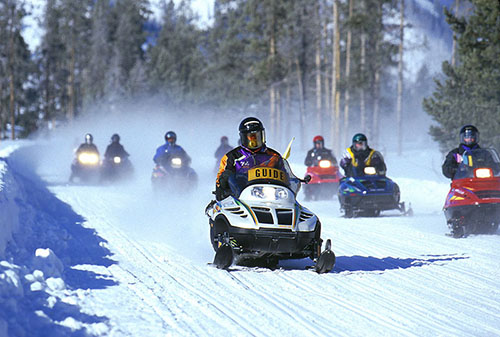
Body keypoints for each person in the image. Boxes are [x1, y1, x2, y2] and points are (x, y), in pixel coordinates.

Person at [215, 117, 284, 201]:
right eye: (251, 137)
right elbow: (220, 180)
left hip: (271, 196)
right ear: (243, 138)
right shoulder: (232, 157)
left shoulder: (274, 156)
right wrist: (224, 184)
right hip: (241, 198)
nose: (254, 141)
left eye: (257, 137)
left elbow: (285, 177)